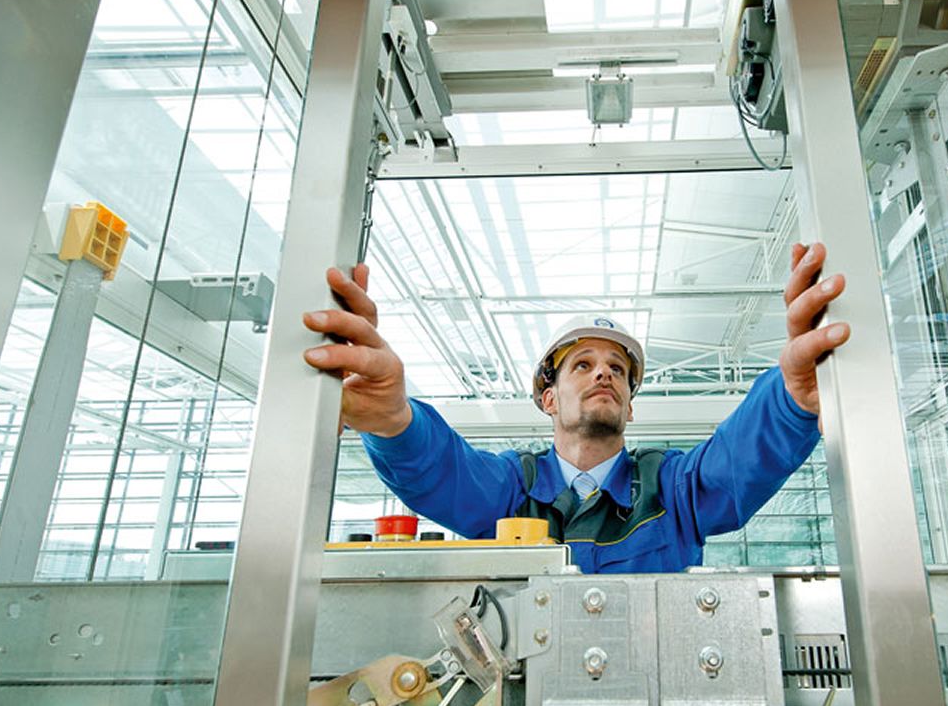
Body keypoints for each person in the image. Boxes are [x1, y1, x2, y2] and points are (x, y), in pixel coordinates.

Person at [300, 243, 849, 573]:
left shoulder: (673, 489)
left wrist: (791, 396)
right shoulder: (512, 489)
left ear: (631, 406)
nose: (604, 372)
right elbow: (442, 470)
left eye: (617, 368)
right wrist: (394, 421)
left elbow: (736, 461)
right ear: (548, 398)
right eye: (581, 365)